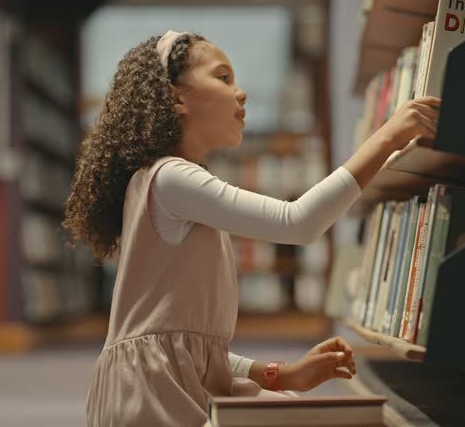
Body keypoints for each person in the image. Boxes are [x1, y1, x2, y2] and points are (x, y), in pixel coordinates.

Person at [63, 30, 440, 426]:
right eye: (223, 78)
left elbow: (185, 346)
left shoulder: (167, 182)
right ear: (176, 97)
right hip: (150, 393)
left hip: (163, 381)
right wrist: (389, 137)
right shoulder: (171, 178)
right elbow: (297, 222)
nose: (241, 93)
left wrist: (279, 375)